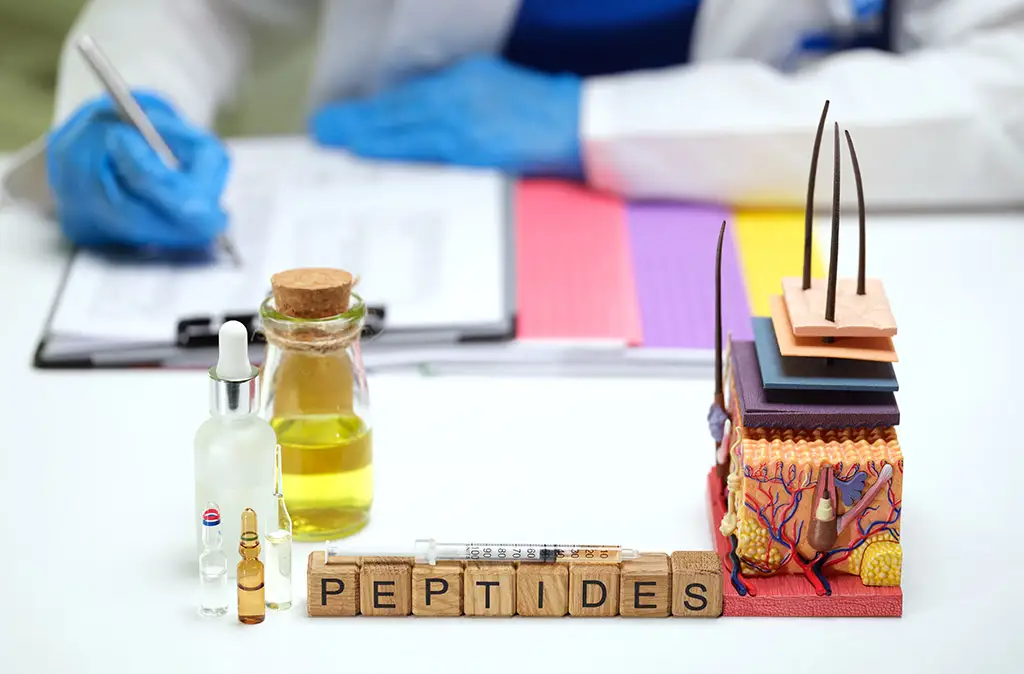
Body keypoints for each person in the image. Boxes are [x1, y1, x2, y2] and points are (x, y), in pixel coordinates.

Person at [3, 0, 1024, 252]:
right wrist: (130, 103)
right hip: (393, 225)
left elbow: (1005, 88)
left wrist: (596, 118)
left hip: (746, 233)